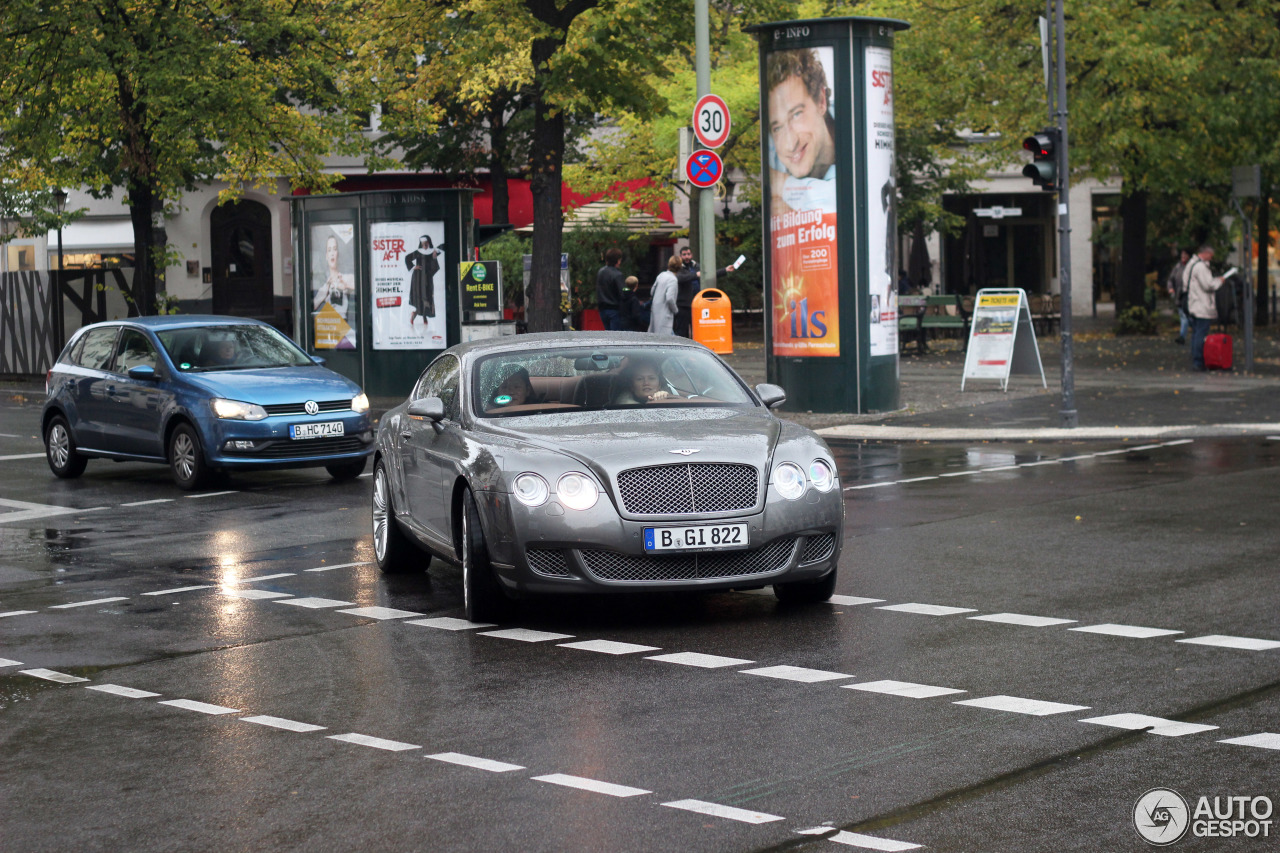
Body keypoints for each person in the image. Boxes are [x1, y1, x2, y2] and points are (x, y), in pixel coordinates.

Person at [767, 48, 837, 215]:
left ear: (821, 101)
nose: (790, 144)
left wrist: (782, 185)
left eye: (797, 114)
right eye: (777, 128)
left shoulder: (858, 130)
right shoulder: (771, 150)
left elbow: (844, 204)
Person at [1184, 244, 1224, 371]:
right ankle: (1198, 361)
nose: (1211, 258)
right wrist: (1219, 281)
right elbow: (1208, 285)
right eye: (1210, 256)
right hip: (1202, 306)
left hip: (1193, 304)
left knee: (1196, 333)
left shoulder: (1191, 264)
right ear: (1205, 253)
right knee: (1200, 334)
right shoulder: (1201, 267)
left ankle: (1196, 359)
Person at [313, 234, 356, 320]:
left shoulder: (345, 278)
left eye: (335, 249)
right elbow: (312, 306)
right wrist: (324, 293)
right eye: (329, 250)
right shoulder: (325, 286)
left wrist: (345, 284)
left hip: (343, 326)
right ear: (326, 256)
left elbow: (361, 284)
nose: (332, 253)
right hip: (329, 327)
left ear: (338, 253)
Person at [405, 235, 441, 328]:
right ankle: (415, 315)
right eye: (423, 244)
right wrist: (413, 267)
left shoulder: (432, 252)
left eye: (426, 243)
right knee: (420, 298)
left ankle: (423, 316)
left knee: (428, 297)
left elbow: (435, 266)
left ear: (429, 243)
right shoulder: (418, 252)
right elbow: (407, 258)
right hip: (418, 279)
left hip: (428, 279)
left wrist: (434, 257)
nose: (425, 245)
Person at [649, 256, 680, 335]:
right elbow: (670, 298)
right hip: (665, 315)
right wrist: (675, 310)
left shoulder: (661, 275)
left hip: (655, 312)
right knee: (667, 340)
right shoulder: (673, 280)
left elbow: (652, 291)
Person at [595, 248, 625, 331]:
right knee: (616, 337)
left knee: (608, 335)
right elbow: (623, 292)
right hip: (614, 309)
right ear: (618, 261)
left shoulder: (601, 272)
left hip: (602, 309)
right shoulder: (618, 275)